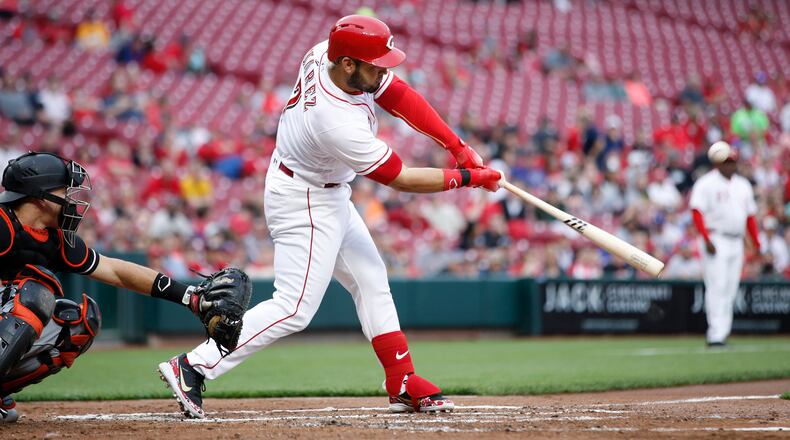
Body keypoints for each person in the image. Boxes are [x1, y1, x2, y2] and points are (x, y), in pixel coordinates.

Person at [157, 15, 502, 419]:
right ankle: (194, 366)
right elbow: (402, 178)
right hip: (303, 197)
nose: (384, 70)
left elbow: (398, 94)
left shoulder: (329, 54)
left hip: (324, 188)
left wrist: (457, 146)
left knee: (370, 278)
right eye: (376, 64)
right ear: (349, 64)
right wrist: (468, 178)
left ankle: (401, 380)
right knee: (294, 307)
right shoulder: (334, 121)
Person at [0, 152, 222, 423]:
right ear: (41, 197)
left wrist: (189, 297)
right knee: (34, 295)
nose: (71, 198)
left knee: (77, 323)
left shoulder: (55, 238)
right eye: (64, 190)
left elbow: (115, 271)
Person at [689, 142, 760, 347]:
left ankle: (723, 333)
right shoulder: (706, 183)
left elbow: (750, 218)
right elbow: (697, 212)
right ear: (717, 164)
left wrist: (756, 243)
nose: (730, 165)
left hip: (736, 240)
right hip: (716, 238)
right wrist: (706, 239)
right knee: (717, 286)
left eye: (732, 161)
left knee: (730, 288)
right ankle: (715, 334)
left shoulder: (743, 185)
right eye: (726, 162)